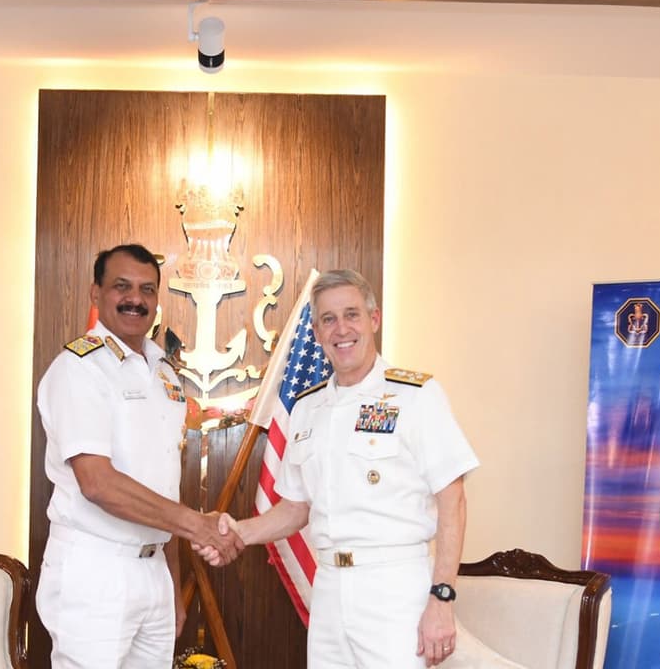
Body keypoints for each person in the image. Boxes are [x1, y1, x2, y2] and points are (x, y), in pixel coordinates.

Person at [195, 269, 521, 669]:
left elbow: (452, 500)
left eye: (352, 314)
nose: (341, 329)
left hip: (394, 586)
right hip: (329, 586)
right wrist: (236, 532)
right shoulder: (307, 408)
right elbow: (296, 509)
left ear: (374, 320)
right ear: (316, 332)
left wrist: (442, 598)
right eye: (329, 319)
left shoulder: (416, 396)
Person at [36, 243, 245, 669]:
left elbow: (162, 483)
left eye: (147, 290)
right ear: (96, 294)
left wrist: (168, 579)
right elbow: (97, 482)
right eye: (122, 287)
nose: (136, 299)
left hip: (152, 572)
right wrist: (197, 527)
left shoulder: (164, 372)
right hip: (96, 571)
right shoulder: (79, 369)